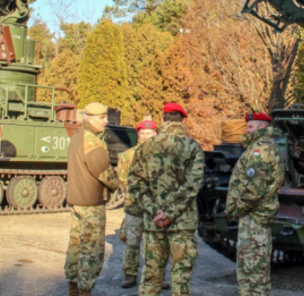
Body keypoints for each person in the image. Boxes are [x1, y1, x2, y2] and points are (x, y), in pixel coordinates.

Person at [129, 102, 204, 296]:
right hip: (182, 223)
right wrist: (170, 213)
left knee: (151, 276)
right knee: (181, 278)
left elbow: (135, 183)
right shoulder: (193, 148)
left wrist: (155, 211)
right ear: (182, 121)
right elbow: (192, 185)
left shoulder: (145, 148)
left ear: (162, 120)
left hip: (154, 223)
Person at [64, 102, 121, 296]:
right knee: (92, 249)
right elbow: (103, 172)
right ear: (88, 118)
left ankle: (73, 287)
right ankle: (85, 290)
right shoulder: (92, 140)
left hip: (76, 200)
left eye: (106, 117)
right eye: (101, 118)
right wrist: (117, 183)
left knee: (75, 245)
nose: (106, 121)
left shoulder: (77, 137)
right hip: (91, 203)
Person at [226, 112, 284, 296]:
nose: (247, 130)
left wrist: (236, 208)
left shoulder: (261, 149)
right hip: (252, 217)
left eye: (250, 127)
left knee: (255, 273)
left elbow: (254, 188)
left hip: (254, 218)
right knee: (247, 269)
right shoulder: (257, 147)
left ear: (261, 127)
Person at [117, 119, 169, 290]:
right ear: (138, 134)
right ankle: (130, 273)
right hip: (134, 206)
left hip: (155, 208)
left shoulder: (162, 154)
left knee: (155, 244)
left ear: (155, 134)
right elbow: (122, 178)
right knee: (132, 242)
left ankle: (156, 277)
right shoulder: (128, 155)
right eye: (143, 133)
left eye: (149, 133)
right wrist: (136, 192)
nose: (146, 136)